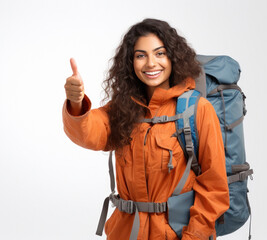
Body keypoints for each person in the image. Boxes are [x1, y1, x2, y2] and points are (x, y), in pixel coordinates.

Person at [62, 18, 229, 240]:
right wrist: (76, 102)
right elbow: (89, 133)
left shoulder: (198, 110)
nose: (151, 63)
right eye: (141, 55)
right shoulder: (122, 108)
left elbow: (214, 189)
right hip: (126, 232)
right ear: (130, 62)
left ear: (173, 57)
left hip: (177, 234)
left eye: (160, 53)